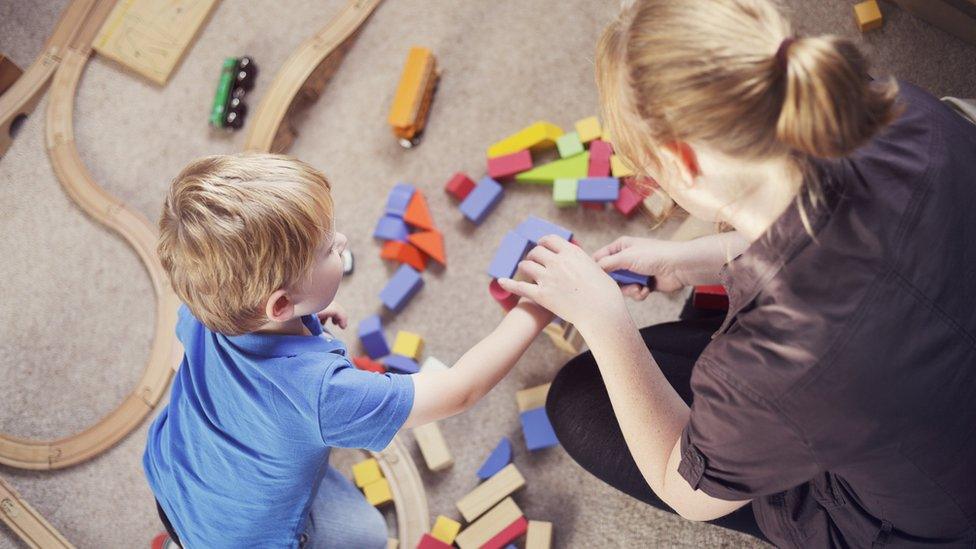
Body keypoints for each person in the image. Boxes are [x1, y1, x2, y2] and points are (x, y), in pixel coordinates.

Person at [497, 0, 976, 546]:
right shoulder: (908, 112)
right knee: (691, 345)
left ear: (683, 162)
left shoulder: (767, 363)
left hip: (940, 521)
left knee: (580, 399)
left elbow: (686, 492)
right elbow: (858, 233)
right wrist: (701, 255)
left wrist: (605, 323)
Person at [143, 154, 551, 548]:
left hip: (173, 474)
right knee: (369, 535)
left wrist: (305, 314)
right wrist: (535, 308)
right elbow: (460, 390)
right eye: (327, 250)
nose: (341, 241)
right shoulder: (323, 393)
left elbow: (187, 359)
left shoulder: (204, 309)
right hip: (246, 540)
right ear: (281, 305)